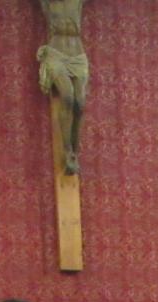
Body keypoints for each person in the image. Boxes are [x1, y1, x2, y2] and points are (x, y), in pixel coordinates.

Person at [37, 0, 90, 174]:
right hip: (56, 53)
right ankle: (67, 151)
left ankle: (75, 151)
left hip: (77, 54)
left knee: (80, 103)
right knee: (67, 97)